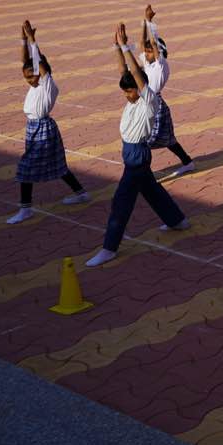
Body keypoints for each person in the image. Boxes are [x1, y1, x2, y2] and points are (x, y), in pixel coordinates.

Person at [86, 24, 190, 267]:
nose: (127, 96)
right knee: (151, 190)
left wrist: (126, 47)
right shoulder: (132, 99)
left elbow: (135, 73)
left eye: (130, 92)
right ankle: (177, 220)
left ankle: (109, 247)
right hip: (130, 151)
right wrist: (117, 48)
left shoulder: (148, 101)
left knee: (121, 202)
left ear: (140, 88)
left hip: (137, 155)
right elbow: (124, 72)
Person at [9, 20, 87, 224]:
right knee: (58, 165)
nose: (28, 80)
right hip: (33, 128)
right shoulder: (35, 83)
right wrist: (24, 40)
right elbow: (26, 61)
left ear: (40, 72)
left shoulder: (47, 84)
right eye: (26, 77)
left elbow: (38, 64)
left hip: (43, 129)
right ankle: (81, 193)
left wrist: (33, 40)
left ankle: (25, 209)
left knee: (26, 168)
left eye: (30, 76)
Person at [136, 5, 196, 179]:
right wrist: (144, 22)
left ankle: (144, 172)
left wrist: (150, 22)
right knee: (168, 139)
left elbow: (153, 43)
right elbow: (142, 43)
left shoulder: (161, 65)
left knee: (146, 140)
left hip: (156, 104)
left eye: (150, 52)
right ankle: (187, 162)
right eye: (147, 51)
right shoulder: (149, 64)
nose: (146, 53)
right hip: (149, 102)